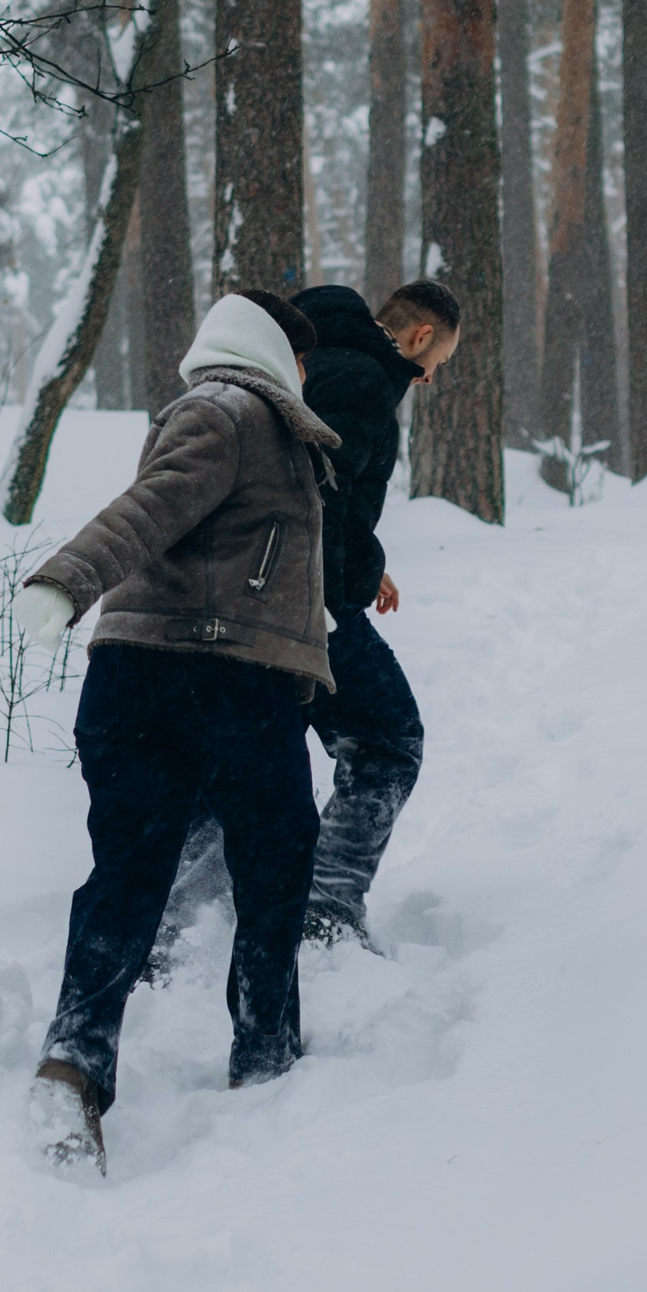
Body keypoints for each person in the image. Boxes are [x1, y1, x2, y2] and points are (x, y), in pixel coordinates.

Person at [8, 288, 339, 1175]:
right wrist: (67, 580)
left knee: (130, 874)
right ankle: (264, 1059)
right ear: (286, 354)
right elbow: (151, 506)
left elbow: (242, 560)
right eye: (308, 363)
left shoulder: (243, 419)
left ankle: (73, 1065)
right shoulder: (232, 411)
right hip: (219, 681)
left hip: (143, 681)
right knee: (274, 864)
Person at [287, 280, 459, 945]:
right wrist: (346, 574)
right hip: (303, 603)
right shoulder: (361, 382)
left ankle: (181, 925)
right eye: (437, 362)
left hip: (229, 592)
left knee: (243, 755)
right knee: (387, 742)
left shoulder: (312, 360)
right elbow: (312, 498)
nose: (431, 377)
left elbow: (314, 488)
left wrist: (367, 554)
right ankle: (325, 913)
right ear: (418, 338)